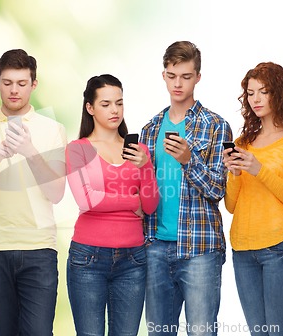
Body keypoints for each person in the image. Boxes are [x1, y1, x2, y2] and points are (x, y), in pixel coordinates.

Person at [0, 49, 67, 336]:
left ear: (34, 84)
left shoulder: (53, 129)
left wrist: (30, 152)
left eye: (21, 83)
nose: (14, 90)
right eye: (7, 83)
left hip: (39, 248)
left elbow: (57, 193)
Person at [140, 41, 232, 336]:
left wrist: (189, 160)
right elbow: (142, 189)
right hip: (154, 245)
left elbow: (218, 188)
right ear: (163, 75)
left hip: (200, 249)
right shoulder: (150, 128)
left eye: (186, 76)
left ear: (198, 77)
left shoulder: (216, 126)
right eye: (171, 75)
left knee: (202, 332)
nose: (177, 83)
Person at [223, 62, 283, 336]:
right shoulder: (242, 143)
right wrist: (235, 174)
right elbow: (231, 206)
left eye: (263, 91)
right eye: (251, 93)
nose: (256, 99)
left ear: (279, 93)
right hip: (242, 250)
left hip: (280, 250)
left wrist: (259, 171)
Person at [66, 74, 159, 336]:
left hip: (133, 259)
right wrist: (132, 201)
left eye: (119, 103)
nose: (114, 110)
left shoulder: (139, 151)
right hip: (88, 259)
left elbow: (150, 206)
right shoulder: (78, 149)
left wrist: (146, 166)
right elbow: (87, 200)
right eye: (106, 104)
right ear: (90, 108)